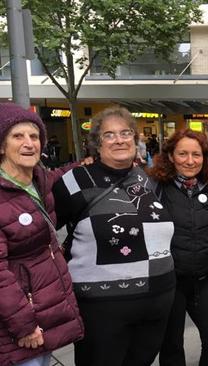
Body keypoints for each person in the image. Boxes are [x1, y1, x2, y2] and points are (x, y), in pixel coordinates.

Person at [53, 106, 176, 366]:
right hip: (101, 310)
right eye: (109, 135)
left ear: (135, 139)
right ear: (97, 144)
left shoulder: (148, 179)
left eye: (125, 133)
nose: (119, 140)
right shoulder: (75, 181)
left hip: (157, 304)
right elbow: (43, 231)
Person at [0, 103, 85, 366]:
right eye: (17, 136)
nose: (29, 143)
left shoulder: (39, 180)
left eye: (34, 136)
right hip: (18, 325)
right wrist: (24, 326)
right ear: (1, 146)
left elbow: (59, 174)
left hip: (43, 312)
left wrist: (86, 164)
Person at [149, 129, 208, 366]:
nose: (190, 161)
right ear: (170, 156)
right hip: (169, 281)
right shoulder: (155, 186)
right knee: (171, 346)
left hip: (202, 278)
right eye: (182, 153)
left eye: (196, 154)